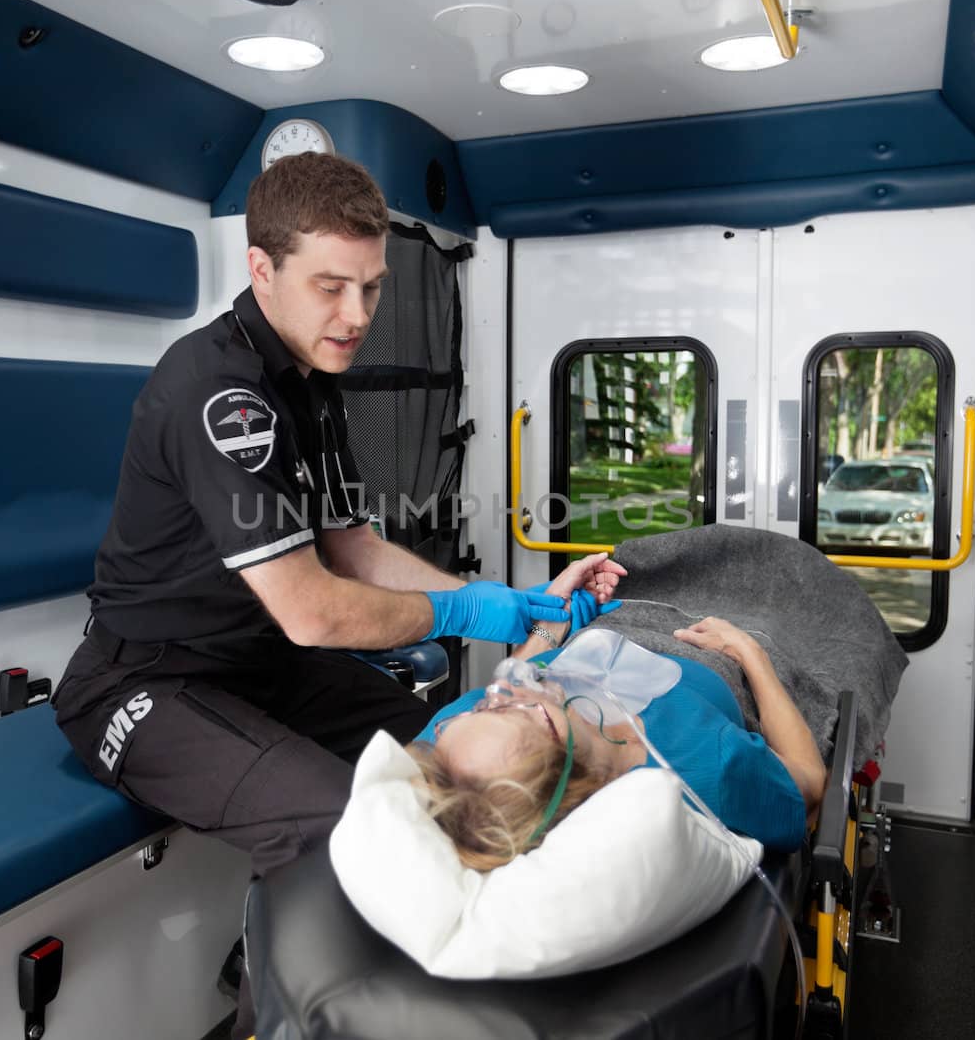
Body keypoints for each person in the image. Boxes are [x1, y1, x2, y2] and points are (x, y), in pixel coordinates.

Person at [49, 152, 620, 1034]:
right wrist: (466, 612)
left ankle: (394, 972)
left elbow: (354, 549)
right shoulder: (219, 392)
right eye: (331, 287)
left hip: (255, 666)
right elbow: (312, 608)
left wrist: (513, 601)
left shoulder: (314, 388)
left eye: (373, 289)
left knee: (446, 752)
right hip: (142, 685)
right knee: (330, 821)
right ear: (262, 269)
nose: (356, 317)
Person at [409, 555, 827, 870]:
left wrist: (551, 620)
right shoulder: (704, 769)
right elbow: (810, 783)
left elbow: (518, 675)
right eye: (506, 707)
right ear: (557, 731)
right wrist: (748, 651)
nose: (498, 688)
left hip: (610, 620)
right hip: (715, 645)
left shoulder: (453, 748)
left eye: (482, 703)